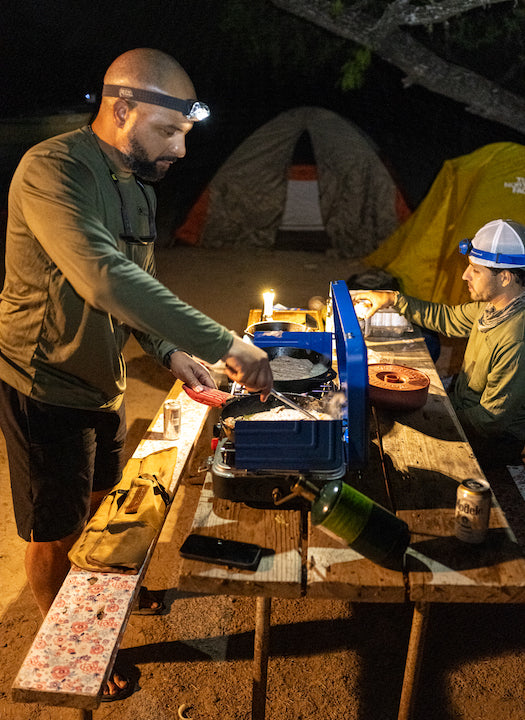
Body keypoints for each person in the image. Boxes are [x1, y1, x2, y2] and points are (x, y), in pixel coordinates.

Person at [0, 48, 272, 699]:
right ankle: (66, 638)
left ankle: (106, 583)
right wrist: (225, 341)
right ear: (123, 108)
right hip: (46, 383)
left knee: (106, 500)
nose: (179, 150)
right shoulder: (52, 169)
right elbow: (101, 275)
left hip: (104, 379)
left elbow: (140, 281)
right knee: (54, 528)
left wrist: (169, 350)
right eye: (169, 131)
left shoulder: (135, 186)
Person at [353, 218, 525, 470]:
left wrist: (436, 415)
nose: (466, 275)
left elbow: (490, 420)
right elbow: (447, 318)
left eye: (476, 270)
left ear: (506, 278)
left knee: (391, 434)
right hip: (464, 406)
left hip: (493, 440)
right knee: (392, 401)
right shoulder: (494, 308)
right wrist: (392, 298)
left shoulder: (516, 339)